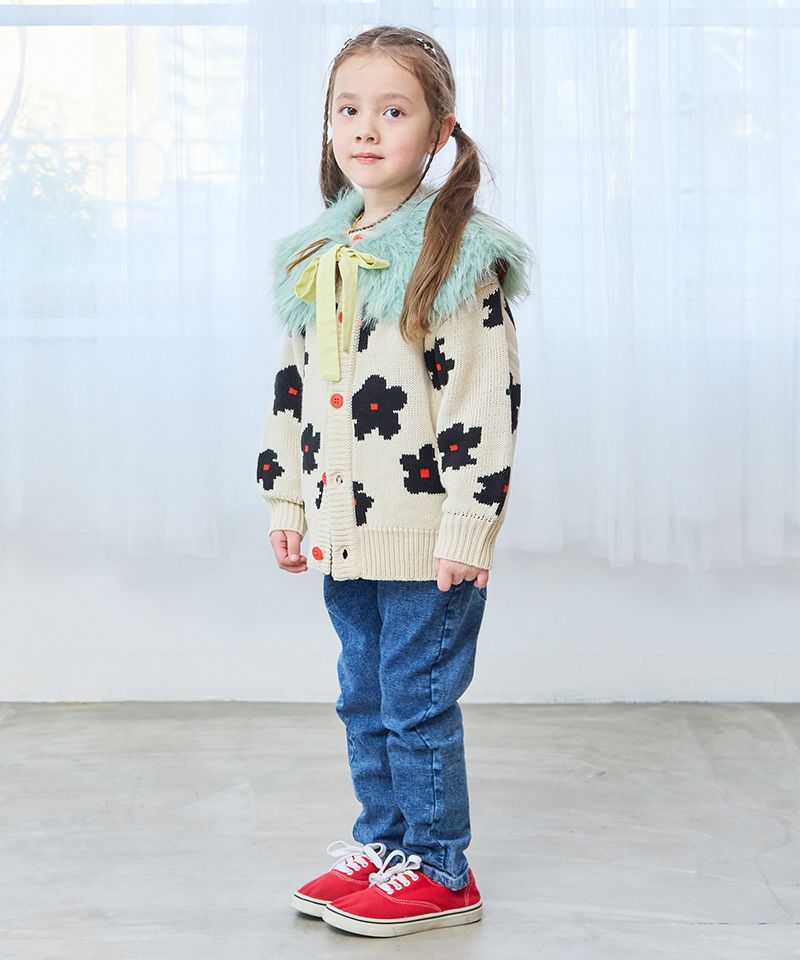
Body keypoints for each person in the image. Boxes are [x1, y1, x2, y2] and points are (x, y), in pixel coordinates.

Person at [256, 25, 531, 939]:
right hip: (347, 528)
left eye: (393, 110)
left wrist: (469, 529)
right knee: (364, 695)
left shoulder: (455, 257)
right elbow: (294, 391)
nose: (366, 129)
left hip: (426, 534)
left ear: (439, 130)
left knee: (416, 701)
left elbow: (482, 402)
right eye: (348, 109)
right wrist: (286, 498)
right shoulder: (318, 256)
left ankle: (441, 868)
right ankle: (385, 845)